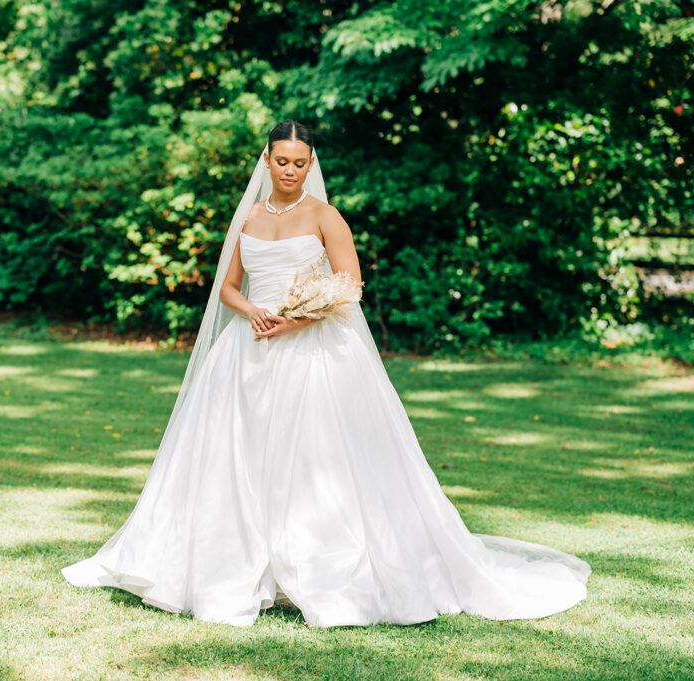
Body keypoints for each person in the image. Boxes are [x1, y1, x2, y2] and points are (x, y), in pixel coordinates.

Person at [61, 120, 591, 627]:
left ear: (311, 163)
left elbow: (350, 286)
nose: (289, 170)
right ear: (266, 160)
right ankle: (235, 563)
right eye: (281, 161)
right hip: (247, 349)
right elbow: (226, 287)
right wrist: (252, 312)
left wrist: (294, 322)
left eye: (299, 162)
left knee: (315, 455)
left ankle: (318, 566)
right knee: (237, 456)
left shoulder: (325, 215)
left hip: (313, 350)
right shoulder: (248, 219)